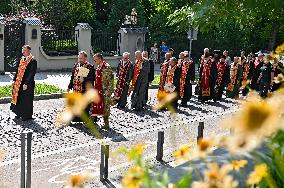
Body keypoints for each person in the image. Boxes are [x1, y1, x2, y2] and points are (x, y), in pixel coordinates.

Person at [11, 45, 37, 121]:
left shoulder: (33, 60)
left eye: (24, 50)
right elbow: (17, 69)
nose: (23, 52)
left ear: (29, 51)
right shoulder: (22, 59)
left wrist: (26, 83)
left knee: (26, 100)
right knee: (18, 98)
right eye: (22, 50)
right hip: (19, 82)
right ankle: (18, 113)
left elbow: (31, 73)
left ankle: (26, 116)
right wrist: (15, 80)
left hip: (27, 84)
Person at [67, 51, 96, 122]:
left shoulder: (89, 67)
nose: (79, 60)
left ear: (85, 58)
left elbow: (92, 78)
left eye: (81, 58)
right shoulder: (76, 65)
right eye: (79, 58)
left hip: (84, 90)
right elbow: (73, 77)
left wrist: (84, 80)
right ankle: (77, 118)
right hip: (76, 89)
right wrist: (69, 86)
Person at [91, 53, 114, 129]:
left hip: (105, 91)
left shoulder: (107, 67)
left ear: (100, 59)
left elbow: (111, 81)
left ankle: (106, 124)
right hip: (98, 90)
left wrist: (109, 91)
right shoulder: (98, 66)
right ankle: (91, 121)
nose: (95, 61)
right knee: (95, 105)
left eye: (96, 60)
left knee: (105, 107)